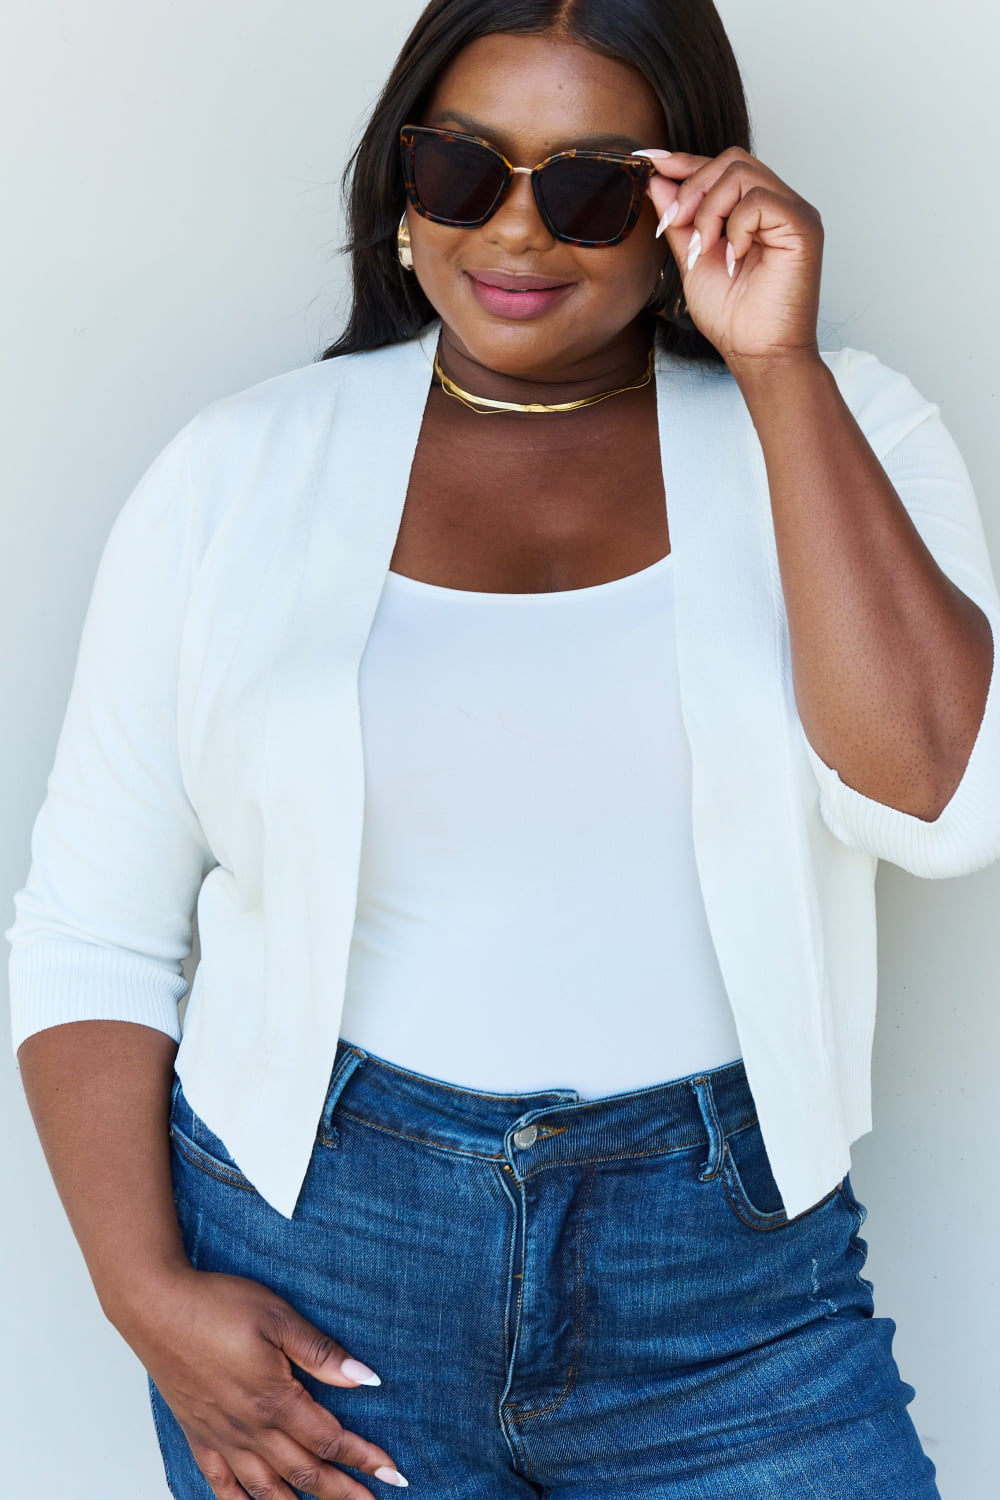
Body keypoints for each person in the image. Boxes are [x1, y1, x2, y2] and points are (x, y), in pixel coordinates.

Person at [8, 0, 1000, 1496]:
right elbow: (94, 930)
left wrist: (780, 368)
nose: (518, 234)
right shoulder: (239, 470)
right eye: (465, 171)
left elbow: (944, 801)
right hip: (321, 1268)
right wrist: (141, 1293)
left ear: (686, 202)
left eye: (594, 184)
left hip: (730, 1295)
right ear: (402, 182)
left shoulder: (844, 428)